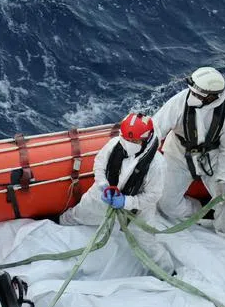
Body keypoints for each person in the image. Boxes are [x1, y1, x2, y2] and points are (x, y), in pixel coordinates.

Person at [60, 112, 174, 272]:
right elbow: (99, 163)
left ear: (145, 139)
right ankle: (61, 222)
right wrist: (103, 185)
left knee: (146, 241)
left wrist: (126, 202)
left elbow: (153, 196)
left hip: (137, 211)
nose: (128, 143)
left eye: (133, 141)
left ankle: (166, 271)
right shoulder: (114, 144)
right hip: (104, 195)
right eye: (126, 139)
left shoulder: (157, 165)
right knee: (80, 212)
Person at [153, 66, 225, 238]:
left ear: (212, 97)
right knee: (167, 204)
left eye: (198, 95)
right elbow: (156, 128)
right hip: (178, 156)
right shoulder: (179, 102)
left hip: (213, 159)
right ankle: (199, 211)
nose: (192, 97)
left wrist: (223, 177)